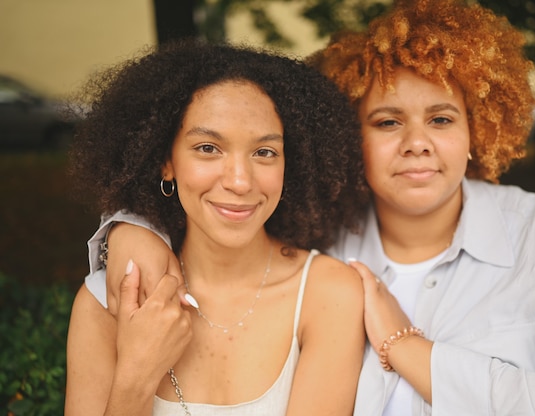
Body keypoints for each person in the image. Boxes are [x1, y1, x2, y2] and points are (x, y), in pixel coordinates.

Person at [81, 0, 535, 414]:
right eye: (387, 121)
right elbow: (223, 211)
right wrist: (132, 229)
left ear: (478, 128)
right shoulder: (319, 227)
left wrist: (410, 351)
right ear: (349, 137)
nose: (417, 142)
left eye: (441, 119)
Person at [64, 39, 369, 416]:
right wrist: (137, 374)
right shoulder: (103, 303)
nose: (240, 181)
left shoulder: (328, 294)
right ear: (166, 161)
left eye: (264, 152)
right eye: (208, 148)